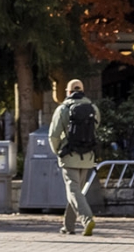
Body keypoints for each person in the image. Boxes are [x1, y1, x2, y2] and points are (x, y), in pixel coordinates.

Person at [49, 79, 101, 237]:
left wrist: (57, 151)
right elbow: (95, 128)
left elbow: (53, 135)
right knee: (76, 191)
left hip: (69, 155)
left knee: (73, 190)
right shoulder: (93, 108)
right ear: (83, 90)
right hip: (87, 156)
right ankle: (68, 226)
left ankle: (87, 219)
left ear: (68, 92)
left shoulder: (63, 109)